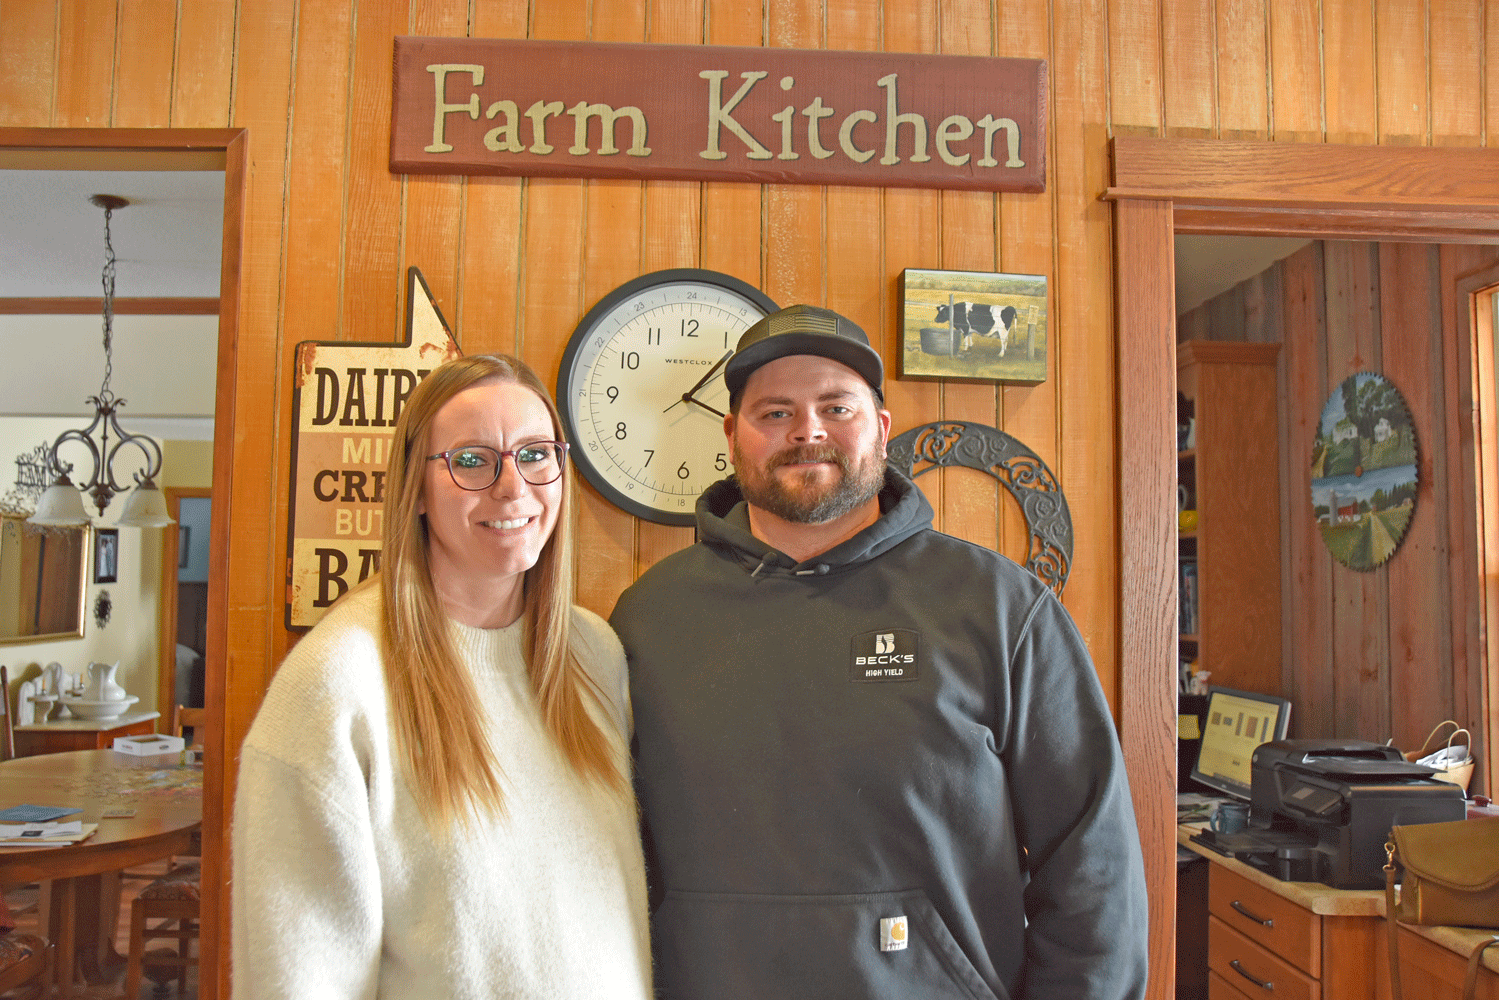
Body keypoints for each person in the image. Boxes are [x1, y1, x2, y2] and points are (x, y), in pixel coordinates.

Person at [611, 305, 1148, 1000]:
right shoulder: (649, 617)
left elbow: (1090, 861)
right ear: (731, 437)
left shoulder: (999, 608)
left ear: (881, 428)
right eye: (774, 413)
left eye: (836, 407)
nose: (807, 431)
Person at [233, 355, 652, 1000]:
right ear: (416, 488)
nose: (513, 489)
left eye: (536, 454)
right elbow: (298, 979)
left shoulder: (592, 654)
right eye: (472, 460)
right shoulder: (337, 685)